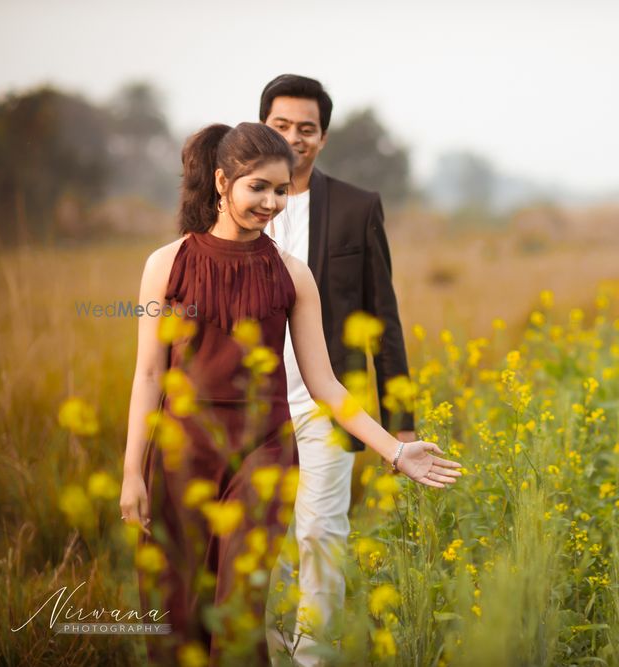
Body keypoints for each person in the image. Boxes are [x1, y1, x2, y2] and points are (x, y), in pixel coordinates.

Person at [118, 121, 461, 665]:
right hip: (183, 452)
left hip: (264, 450)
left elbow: (325, 384)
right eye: (258, 187)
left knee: (237, 606)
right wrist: (133, 471)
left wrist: (394, 450)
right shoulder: (165, 265)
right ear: (221, 181)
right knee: (176, 613)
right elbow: (149, 376)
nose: (272, 202)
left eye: (281, 189)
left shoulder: (292, 274)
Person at [258, 73, 417, 663]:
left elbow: (385, 318)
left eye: (307, 128)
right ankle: (269, 653)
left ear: (322, 138)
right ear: (262, 127)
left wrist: (400, 423)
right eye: (282, 125)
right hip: (252, 406)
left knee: (321, 535)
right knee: (264, 544)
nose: (294, 138)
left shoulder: (357, 208)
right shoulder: (232, 206)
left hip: (330, 405)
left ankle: (314, 659)